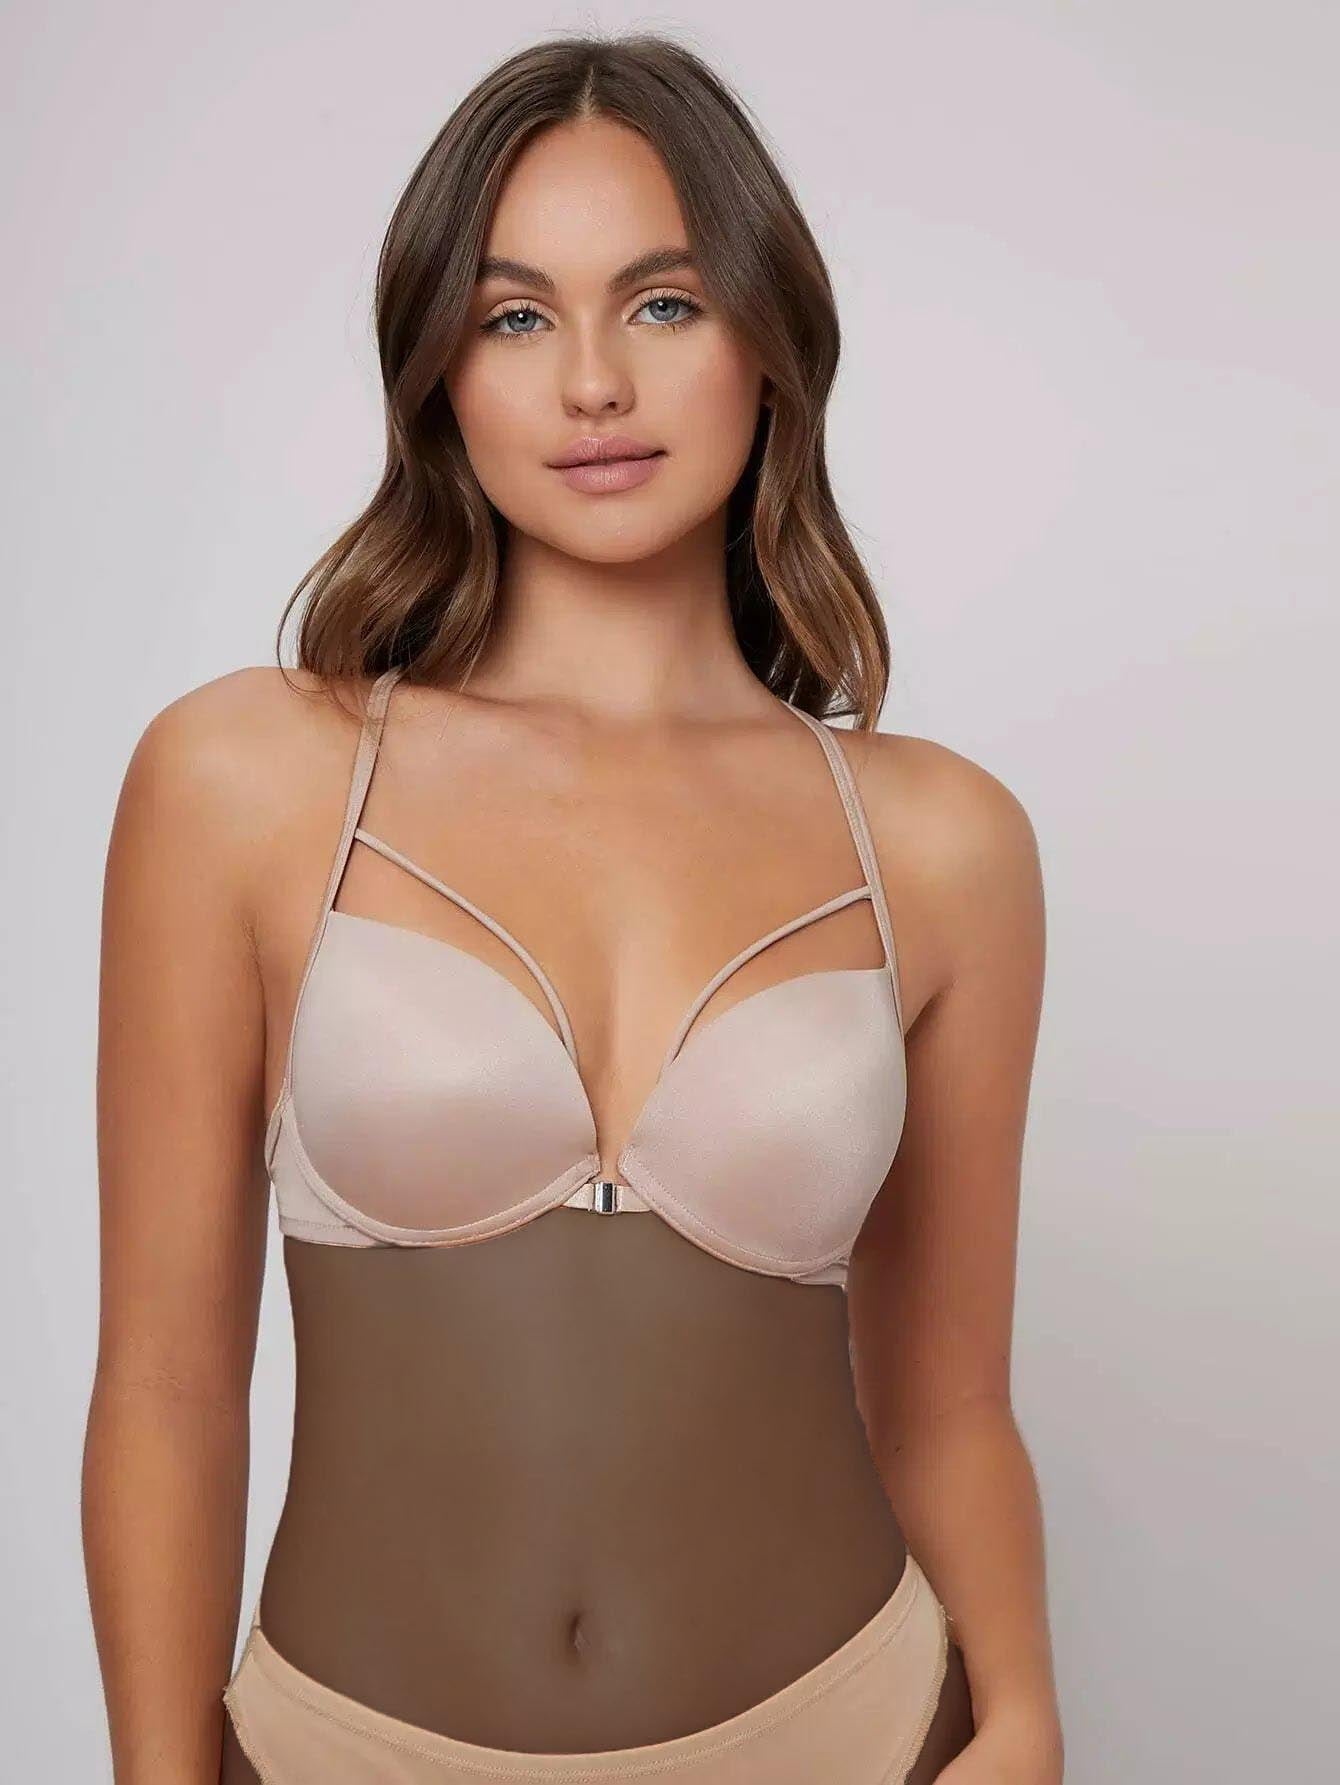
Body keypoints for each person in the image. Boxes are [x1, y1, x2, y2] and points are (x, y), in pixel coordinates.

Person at [84, 32, 1061, 1785]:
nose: (594, 382)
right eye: (518, 316)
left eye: (664, 303)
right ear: (439, 369)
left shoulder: (940, 844)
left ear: (768, 338)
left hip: (850, 1735)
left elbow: (950, 1401)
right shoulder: (248, 780)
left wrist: (1030, 1719)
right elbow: (166, 1386)